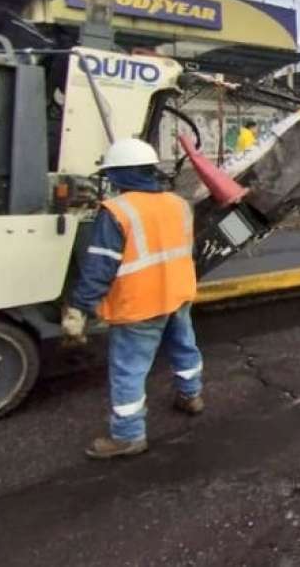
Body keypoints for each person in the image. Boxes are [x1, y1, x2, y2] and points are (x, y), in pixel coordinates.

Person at [61, 138, 204, 459]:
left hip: (140, 304)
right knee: (184, 347)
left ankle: (128, 436)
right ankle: (191, 396)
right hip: (178, 293)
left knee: (129, 369)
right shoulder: (179, 204)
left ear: (119, 175)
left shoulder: (116, 211)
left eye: (110, 174)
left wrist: (79, 309)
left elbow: (99, 267)